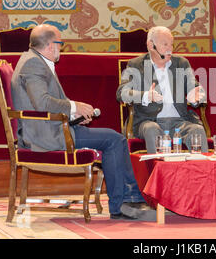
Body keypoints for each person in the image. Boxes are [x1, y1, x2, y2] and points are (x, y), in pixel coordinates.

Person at [11, 24, 154, 221]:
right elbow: (42, 102)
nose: (60, 48)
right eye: (60, 44)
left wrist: (74, 115)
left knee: (114, 139)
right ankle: (125, 203)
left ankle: (127, 201)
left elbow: (43, 104)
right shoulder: (33, 64)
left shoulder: (33, 60)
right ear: (51, 45)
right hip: (46, 136)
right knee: (115, 140)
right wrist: (74, 107)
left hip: (52, 128)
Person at [116, 26, 208, 153]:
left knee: (197, 129)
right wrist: (146, 96)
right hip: (149, 121)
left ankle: (199, 171)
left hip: (180, 121)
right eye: (165, 44)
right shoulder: (136, 65)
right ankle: (159, 171)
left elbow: (197, 89)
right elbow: (122, 93)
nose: (169, 48)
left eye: (171, 44)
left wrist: (197, 96)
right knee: (151, 129)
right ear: (150, 45)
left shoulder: (181, 63)